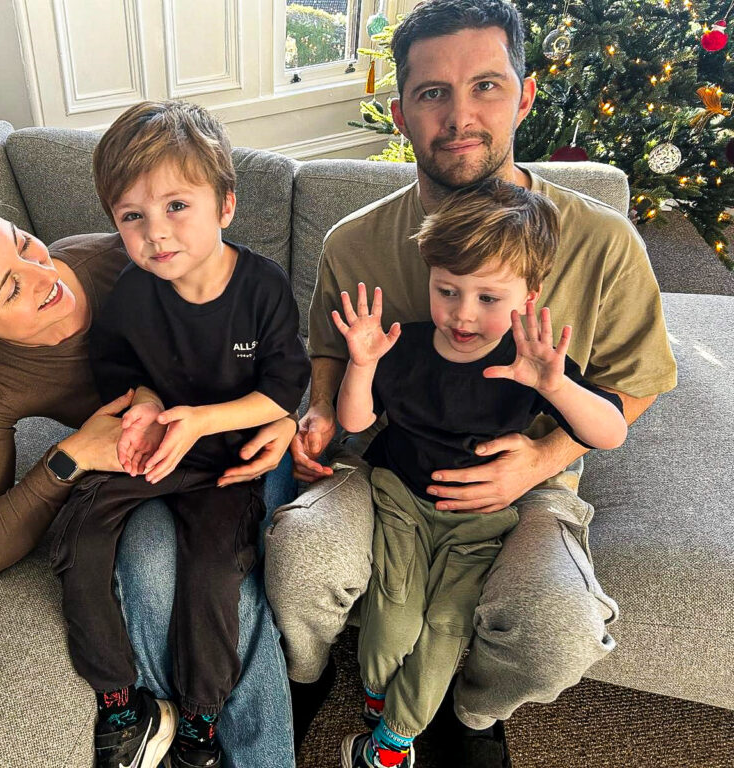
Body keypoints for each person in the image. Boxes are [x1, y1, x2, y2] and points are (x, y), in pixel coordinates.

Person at [265, 1, 678, 765]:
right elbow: (326, 354)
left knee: (560, 631)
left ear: (523, 96)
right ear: (400, 113)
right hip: (384, 466)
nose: (460, 116)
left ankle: (474, 713)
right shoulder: (353, 243)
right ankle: (301, 675)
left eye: (485, 86)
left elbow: (638, 382)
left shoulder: (602, 242)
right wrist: (322, 411)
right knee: (300, 559)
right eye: (432, 93)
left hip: (528, 482)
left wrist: (540, 459)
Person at [0, 190, 299, 768]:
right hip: (151, 471)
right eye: (10, 289)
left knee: (219, 567)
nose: (43, 276)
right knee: (147, 560)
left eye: (21, 244)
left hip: (246, 435)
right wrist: (73, 455)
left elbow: (266, 327)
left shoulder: (131, 259)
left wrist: (284, 415)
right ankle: (191, 734)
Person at [51, 100, 310, 768]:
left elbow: (285, 389)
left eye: (175, 207)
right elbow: (113, 364)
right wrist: (142, 400)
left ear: (224, 205)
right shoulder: (133, 296)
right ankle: (119, 699)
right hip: (155, 449)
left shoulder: (262, 287)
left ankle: (200, 719)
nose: (155, 234)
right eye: (132, 217)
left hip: (227, 458)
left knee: (214, 571)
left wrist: (203, 418)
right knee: (79, 535)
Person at [333, 180, 626, 768]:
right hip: (401, 501)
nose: (463, 315)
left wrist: (556, 385)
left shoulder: (531, 363)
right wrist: (362, 365)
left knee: (445, 626)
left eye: (488, 299)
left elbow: (609, 432)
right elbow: (355, 420)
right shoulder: (406, 346)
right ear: (430, 279)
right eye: (448, 291)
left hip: (482, 524)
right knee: (393, 619)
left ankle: (392, 741)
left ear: (529, 295)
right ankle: (373, 701)